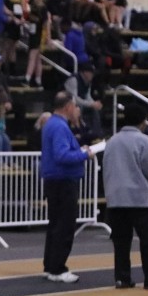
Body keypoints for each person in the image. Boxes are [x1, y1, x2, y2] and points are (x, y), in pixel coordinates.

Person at [101, 104, 148, 290]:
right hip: (138, 198)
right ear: (143, 122)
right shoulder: (144, 140)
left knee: (121, 242)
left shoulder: (111, 141)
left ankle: (122, 278)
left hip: (116, 198)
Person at [41, 92, 94, 283]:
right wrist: (84, 155)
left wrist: (78, 151)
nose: (76, 109)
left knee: (55, 224)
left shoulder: (51, 124)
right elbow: (61, 155)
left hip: (55, 179)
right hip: (63, 180)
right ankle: (58, 268)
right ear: (68, 106)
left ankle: (50, 265)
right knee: (64, 225)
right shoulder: (60, 127)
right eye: (74, 106)